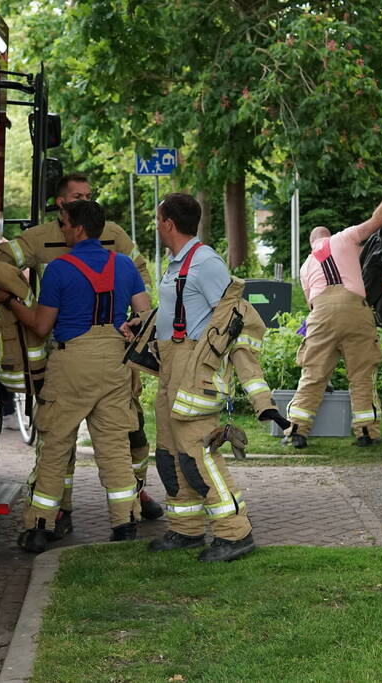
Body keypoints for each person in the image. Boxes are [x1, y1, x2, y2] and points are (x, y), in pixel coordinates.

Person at [0, 173, 163, 526]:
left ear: (78, 228)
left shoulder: (60, 269)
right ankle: (125, 521)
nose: (63, 230)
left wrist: (9, 299)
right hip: (115, 362)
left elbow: (40, 325)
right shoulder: (123, 263)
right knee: (114, 446)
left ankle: (41, 525)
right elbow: (145, 312)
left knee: (55, 446)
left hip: (70, 363)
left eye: (68, 225)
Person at [128, 193, 286, 563]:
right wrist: (144, 325)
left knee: (200, 457)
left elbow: (240, 323)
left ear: (168, 223)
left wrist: (262, 401)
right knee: (170, 456)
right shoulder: (177, 263)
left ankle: (236, 533)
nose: (156, 226)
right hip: (171, 370)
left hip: (195, 374)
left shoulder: (206, 264)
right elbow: (182, 310)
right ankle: (186, 530)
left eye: (158, 220)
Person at [283, 181, 382, 449]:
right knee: (360, 374)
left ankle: (297, 431)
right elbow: (378, 220)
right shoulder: (345, 237)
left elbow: (311, 305)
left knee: (313, 374)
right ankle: (366, 433)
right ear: (329, 235)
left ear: (313, 242)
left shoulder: (306, 265)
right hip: (354, 311)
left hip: (322, 313)